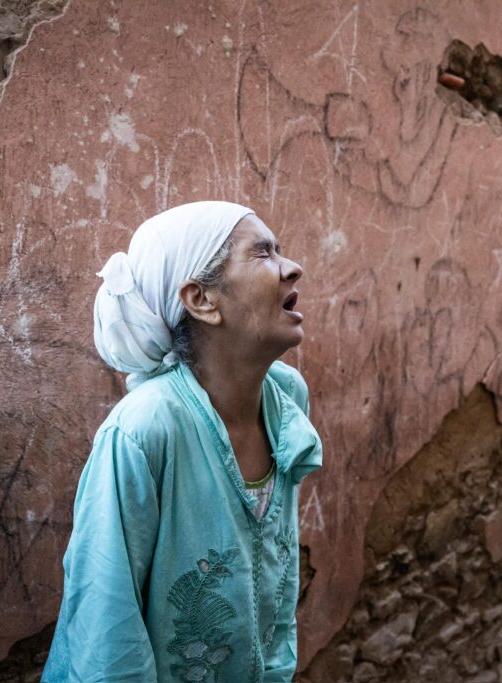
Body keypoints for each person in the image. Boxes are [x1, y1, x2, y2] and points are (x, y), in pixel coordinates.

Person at [43, 201, 322, 683]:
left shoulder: (285, 398)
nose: (292, 267)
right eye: (263, 254)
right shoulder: (144, 428)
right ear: (201, 300)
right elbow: (107, 625)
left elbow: (277, 574)